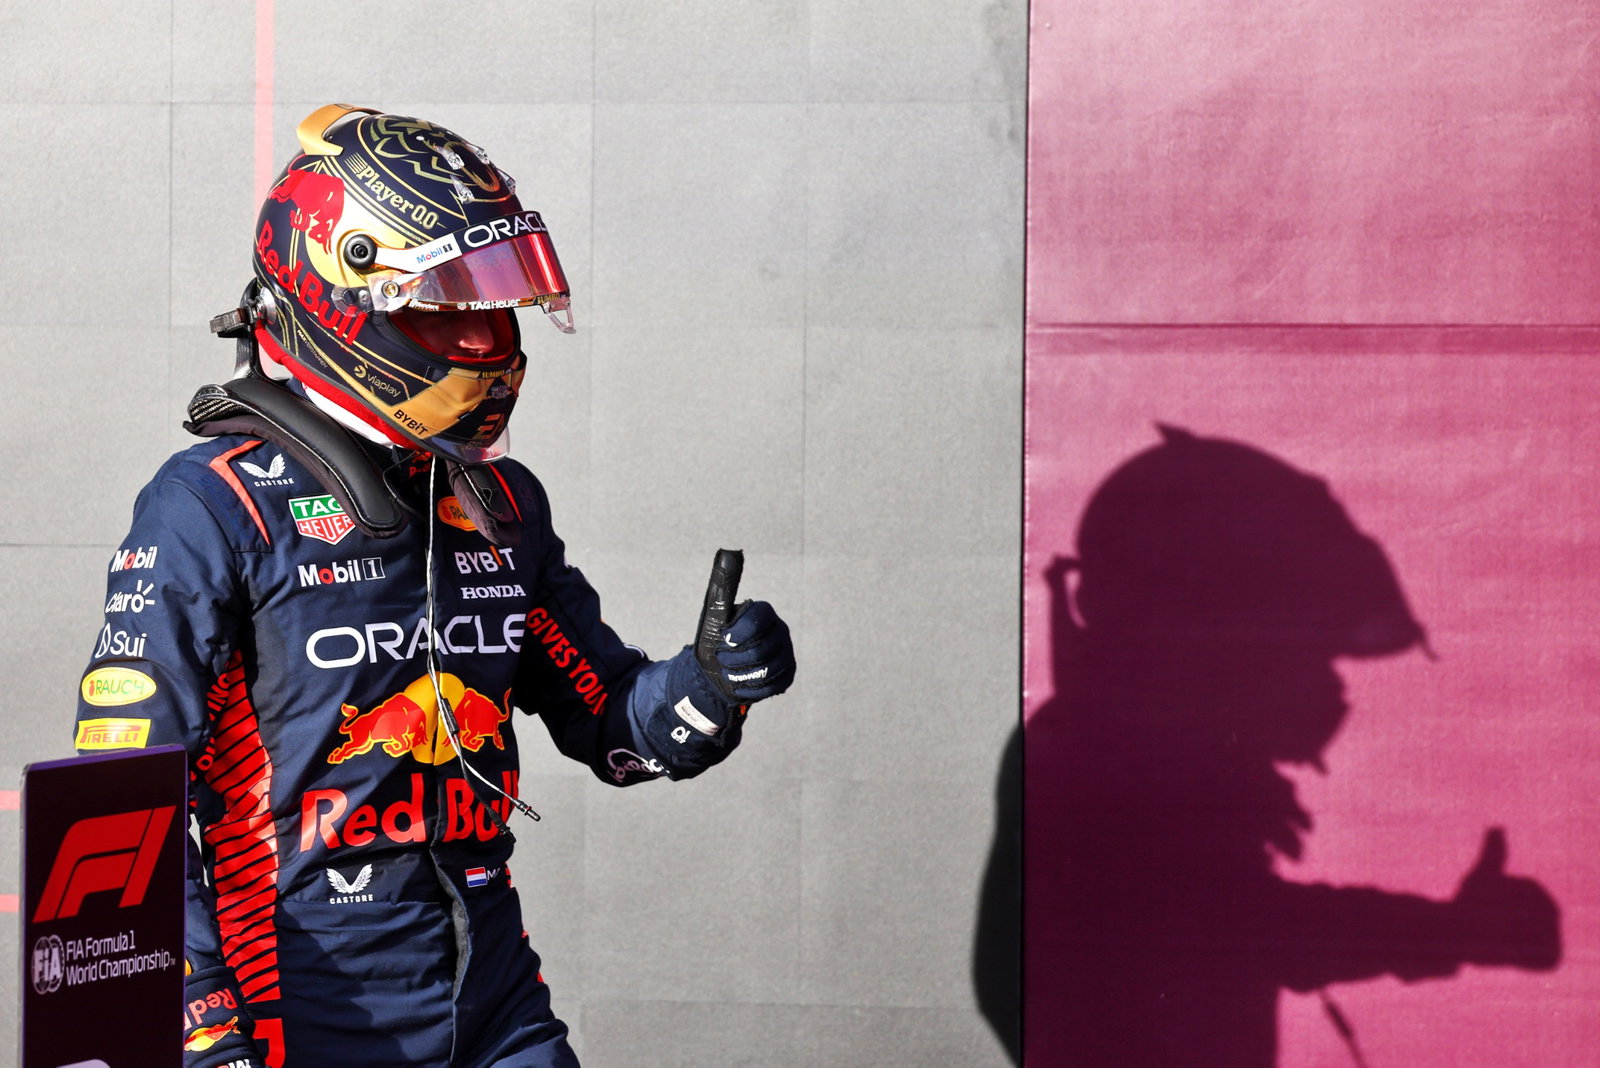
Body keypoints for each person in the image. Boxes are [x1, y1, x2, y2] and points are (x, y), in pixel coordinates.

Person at [73, 104, 795, 1068]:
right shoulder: (210, 505)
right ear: (336, 298)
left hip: (494, 1003)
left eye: (493, 309)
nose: (486, 341)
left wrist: (710, 683)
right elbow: (116, 801)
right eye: (446, 310)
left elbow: (612, 726)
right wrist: (196, 1024)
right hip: (296, 1008)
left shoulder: (501, 503)